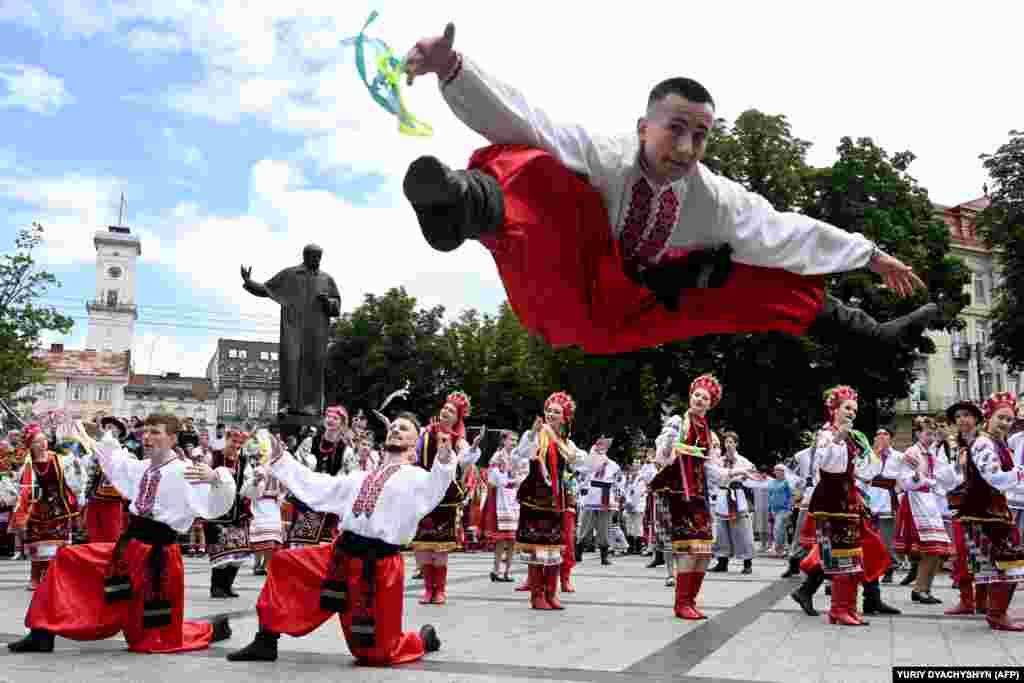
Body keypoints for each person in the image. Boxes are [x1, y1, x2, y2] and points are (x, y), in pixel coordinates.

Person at [399, 23, 940, 357]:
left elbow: (784, 232)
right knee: (541, 168)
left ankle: (873, 336)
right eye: (674, 129)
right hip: (560, 284)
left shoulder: (714, 199)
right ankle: (463, 203)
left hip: (634, 308)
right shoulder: (605, 156)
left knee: (761, 276)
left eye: (700, 136)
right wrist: (450, 66)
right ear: (642, 127)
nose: (685, 148)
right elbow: (527, 121)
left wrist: (868, 256)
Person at [226, 413, 452, 664]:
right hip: (340, 556)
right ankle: (265, 641)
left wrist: (443, 462)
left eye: (404, 428)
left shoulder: (417, 477)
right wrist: (280, 456)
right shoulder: (360, 476)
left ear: (415, 444)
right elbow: (316, 485)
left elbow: (435, 488)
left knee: (376, 654)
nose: (396, 429)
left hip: (378, 566)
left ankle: (422, 639)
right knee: (283, 563)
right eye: (394, 426)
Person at [8, 415, 234, 654]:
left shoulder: (187, 471)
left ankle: (211, 630)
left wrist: (215, 479)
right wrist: (97, 433)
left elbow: (217, 504)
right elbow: (114, 459)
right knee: (67, 558)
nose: (147, 437)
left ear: (172, 438)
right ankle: (41, 633)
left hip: (159, 559)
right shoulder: (141, 467)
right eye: (146, 432)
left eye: (155, 432)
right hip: (127, 551)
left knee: (148, 640)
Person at [797, 386, 893, 626]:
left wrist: (874, 455)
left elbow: (863, 471)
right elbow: (827, 466)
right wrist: (838, 439)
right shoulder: (825, 435)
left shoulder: (852, 437)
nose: (851, 413)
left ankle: (848, 608)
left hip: (848, 500)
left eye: (854, 409)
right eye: (847, 408)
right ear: (834, 409)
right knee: (840, 555)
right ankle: (838, 609)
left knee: (854, 556)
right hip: (831, 502)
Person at [650, 375, 723, 619]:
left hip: (699, 493)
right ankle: (681, 604)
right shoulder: (678, 422)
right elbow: (662, 457)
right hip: (681, 491)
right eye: (697, 395)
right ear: (691, 396)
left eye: (706, 397)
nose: (700, 399)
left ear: (710, 404)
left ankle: (690, 601)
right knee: (690, 548)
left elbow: (711, 468)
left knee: (704, 551)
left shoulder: (708, 431)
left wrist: (734, 473)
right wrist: (670, 444)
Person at [509, 392, 590, 610]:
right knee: (537, 548)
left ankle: (552, 594)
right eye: (549, 410)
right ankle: (537, 596)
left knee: (554, 549)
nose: (551, 414)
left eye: (557, 412)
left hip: (556, 501)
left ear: (564, 418)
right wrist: (532, 433)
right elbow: (519, 456)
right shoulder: (536, 435)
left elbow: (580, 464)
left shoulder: (566, 442)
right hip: (535, 499)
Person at [240, 244, 341, 416]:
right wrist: (249, 282)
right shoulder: (290, 274)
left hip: (316, 333)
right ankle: (288, 406)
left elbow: (336, 307)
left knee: (313, 366)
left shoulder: (326, 279)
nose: (316, 260)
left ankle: (311, 408)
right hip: (293, 330)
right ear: (305, 256)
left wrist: (327, 302)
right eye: (313, 256)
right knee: (291, 364)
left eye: (319, 257)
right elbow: (267, 289)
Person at [952, 392, 1024, 631]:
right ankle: (996, 614)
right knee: (1009, 562)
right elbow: (996, 479)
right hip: (982, 513)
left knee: (1005, 564)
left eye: (1009, 419)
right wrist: (1021, 473)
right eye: (1001, 417)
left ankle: (996, 613)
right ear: (989, 417)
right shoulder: (983, 443)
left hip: (993, 512)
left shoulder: (998, 443)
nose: (1005, 423)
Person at [410, 392, 483, 606]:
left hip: (445, 498)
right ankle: (427, 589)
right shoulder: (424, 432)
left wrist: (475, 448)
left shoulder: (457, 439)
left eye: (451, 410)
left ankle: (439, 590)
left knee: (440, 545)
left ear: (457, 417)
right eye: (445, 408)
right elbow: (411, 451)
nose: (445, 411)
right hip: (423, 492)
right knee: (422, 545)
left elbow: (464, 460)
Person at [9, 423, 83, 590]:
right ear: (30, 446)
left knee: (56, 547)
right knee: (37, 545)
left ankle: (52, 577)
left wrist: (78, 470)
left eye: (43, 440)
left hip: (58, 508)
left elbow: (71, 483)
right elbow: (21, 487)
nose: (42, 444)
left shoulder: (59, 459)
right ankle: (35, 577)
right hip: (36, 509)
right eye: (37, 441)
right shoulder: (27, 464)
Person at [892, 416, 956, 604]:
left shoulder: (932, 453)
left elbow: (947, 478)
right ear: (918, 433)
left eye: (933, 434)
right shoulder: (912, 452)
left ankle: (924, 588)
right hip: (916, 502)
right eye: (928, 434)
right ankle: (920, 589)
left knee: (938, 550)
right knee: (931, 549)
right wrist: (924, 480)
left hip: (931, 502)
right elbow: (905, 481)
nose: (931, 437)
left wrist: (937, 480)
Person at [206, 428, 253, 598]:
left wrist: (256, 482)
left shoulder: (244, 460)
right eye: (233, 441)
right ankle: (216, 587)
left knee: (238, 553)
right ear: (226, 439)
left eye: (240, 443)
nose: (236, 446)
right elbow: (203, 479)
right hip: (217, 512)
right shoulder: (214, 457)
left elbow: (249, 483)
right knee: (220, 552)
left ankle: (227, 585)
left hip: (238, 511)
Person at [482, 430, 525, 582]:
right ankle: (496, 570)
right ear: (503, 441)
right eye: (511, 440)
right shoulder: (498, 456)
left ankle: (507, 571)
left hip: (514, 499)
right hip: (501, 498)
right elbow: (493, 478)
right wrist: (511, 481)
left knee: (513, 539)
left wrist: (518, 480)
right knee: (501, 539)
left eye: (516, 440)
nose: (514, 443)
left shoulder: (518, 456)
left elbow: (524, 473)